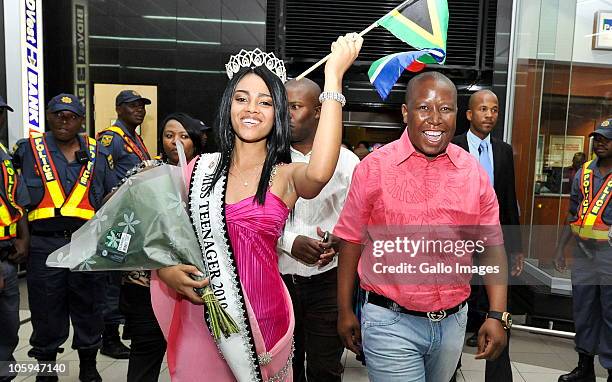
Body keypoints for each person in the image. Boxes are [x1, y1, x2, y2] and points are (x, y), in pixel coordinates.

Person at [149, 35, 362, 381]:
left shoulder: (285, 175)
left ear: (277, 112)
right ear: (227, 105)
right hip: (204, 313)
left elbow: (322, 170)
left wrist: (334, 78)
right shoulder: (197, 170)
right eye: (242, 98)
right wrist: (167, 270)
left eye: (264, 102)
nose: (251, 109)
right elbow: (166, 239)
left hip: (265, 315)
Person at [335, 72, 510, 382]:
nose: (435, 119)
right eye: (424, 108)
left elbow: (492, 246)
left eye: (445, 109)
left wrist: (497, 314)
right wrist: (344, 308)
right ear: (406, 112)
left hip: (453, 323)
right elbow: (351, 240)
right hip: (390, 321)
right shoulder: (374, 168)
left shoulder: (472, 171)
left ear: (457, 113)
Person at [13, 94, 117, 382]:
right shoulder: (29, 150)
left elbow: (109, 196)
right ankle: (47, 371)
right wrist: (22, 237)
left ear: (81, 120)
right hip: (44, 244)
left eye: (71, 115)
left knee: (90, 306)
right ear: (48, 116)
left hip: (86, 242)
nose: (64, 120)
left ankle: (88, 366)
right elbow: (16, 200)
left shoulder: (97, 151)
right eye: (58, 114)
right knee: (46, 310)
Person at [277, 78, 360, 381]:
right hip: (278, 280)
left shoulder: (348, 162)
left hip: (329, 282)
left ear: (318, 112)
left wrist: (338, 241)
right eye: (281, 107)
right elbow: (248, 220)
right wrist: (288, 241)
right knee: (285, 365)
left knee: (326, 368)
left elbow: (360, 222)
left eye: (295, 107)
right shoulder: (266, 160)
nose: (285, 114)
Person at [118, 112, 203, 382]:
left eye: (183, 136)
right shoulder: (148, 170)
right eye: (168, 135)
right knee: (146, 351)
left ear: (197, 141)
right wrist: (136, 185)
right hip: (145, 283)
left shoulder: (209, 174)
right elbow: (117, 214)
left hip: (196, 281)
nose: (174, 142)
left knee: (197, 355)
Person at [452, 89, 524, 382]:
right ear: (469, 114)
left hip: (494, 244)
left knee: (497, 312)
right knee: (455, 311)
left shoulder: (504, 151)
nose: (489, 115)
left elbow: (509, 200)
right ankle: (448, 369)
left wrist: (516, 248)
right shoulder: (452, 146)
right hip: (459, 246)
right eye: (483, 109)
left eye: (494, 110)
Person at [554, 118, 612, 382]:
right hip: (583, 255)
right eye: (597, 138)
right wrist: (560, 247)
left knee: (610, 313)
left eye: (606, 139)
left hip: (609, 256)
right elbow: (572, 213)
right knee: (584, 310)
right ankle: (584, 368)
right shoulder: (584, 172)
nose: (600, 143)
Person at [97, 89, 152, 359]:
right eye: (132, 105)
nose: (139, 110)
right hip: (117, 219)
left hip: (131, 219)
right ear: (119, 109)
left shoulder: (136, 139)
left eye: (141, 106)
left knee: (125, 276)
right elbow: (104, 179)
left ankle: (123, 328)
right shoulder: (112, 139)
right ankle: (109, 338)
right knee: (112, 280)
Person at [0, 96, 30, 382]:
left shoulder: (4, 155)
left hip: (8, 256)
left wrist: (23, 238)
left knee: (9, 327)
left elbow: (16, 201)